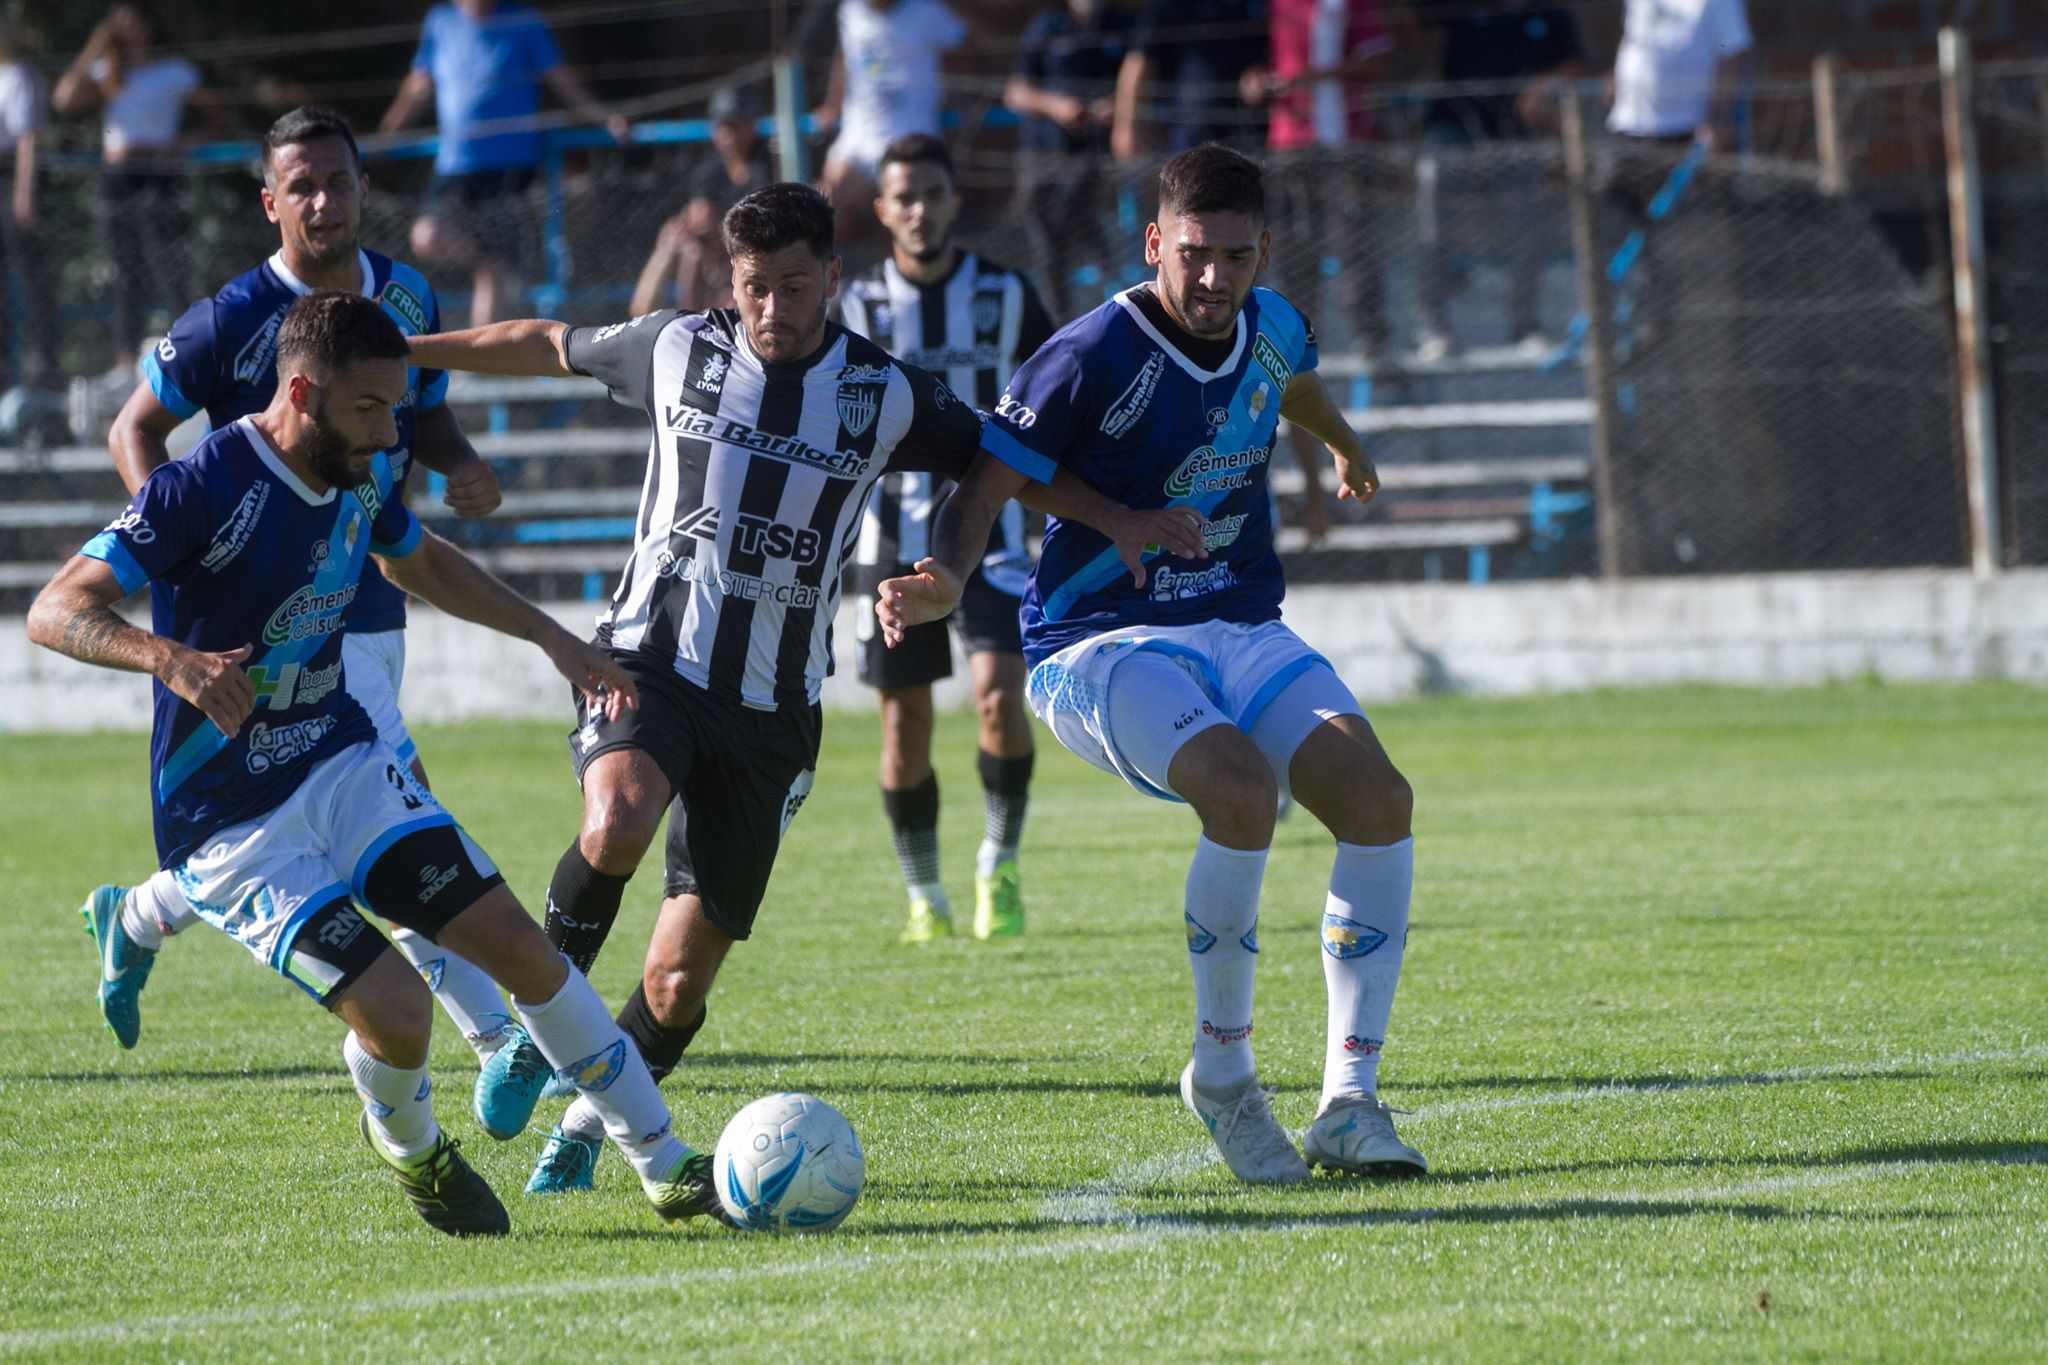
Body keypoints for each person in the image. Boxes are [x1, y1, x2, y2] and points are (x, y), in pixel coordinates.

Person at [406, 182, 1201, 1195]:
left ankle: (588, 1120)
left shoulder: (883, 391)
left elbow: (1001, 463)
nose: (772, 308)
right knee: (618, 818)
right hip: (649, 656)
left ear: (830, 278)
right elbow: (539, 339)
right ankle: (533, 1033)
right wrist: (408, 360)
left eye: (792, 286)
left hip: (773, 706)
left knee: (676, 979)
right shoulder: (673, 346)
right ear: (728, 285)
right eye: (753, 289)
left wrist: (1091, 528)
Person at [27, 291, 732, 1234]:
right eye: (372, 408)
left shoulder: (355, 466)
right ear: (304, 390)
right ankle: (411, 1149)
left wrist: (552, 639)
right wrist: (172, 660)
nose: (391, 428)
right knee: (399, 1013)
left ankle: (663, 1158)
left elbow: (422, 561)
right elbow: (54, 608)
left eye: (398, 406)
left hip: (341, 761)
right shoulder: (203, 484)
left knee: (522, 949)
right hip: (230, 820)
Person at [876, 145, 1428, 1184]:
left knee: (1377, 798)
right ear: (1152, 245)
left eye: (1234, 255)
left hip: (1237, 622)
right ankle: (1222, 1075)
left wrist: (1346, 447)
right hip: (1095, 643)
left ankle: (1349, 1104)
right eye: (1193, 255)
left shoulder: (1270, 322)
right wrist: (946, 581)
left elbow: (1293, 382)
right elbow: (981, 484)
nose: (1214, 278)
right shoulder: (1087, 355)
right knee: (1238, 791)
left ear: (1260, 250)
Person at [77, 108, 514, 1100]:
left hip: (379, 583)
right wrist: (181, 563)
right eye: (301, 186)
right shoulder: (229, 317)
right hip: (266, 621)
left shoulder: (405, 295)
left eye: (339, 180)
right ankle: (498, 1034)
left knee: (312, 818)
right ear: (271, 202)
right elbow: (134, 430)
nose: (324, 200)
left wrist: (459, 462)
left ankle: (138, 916)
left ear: (365, 188)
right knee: (388, 796)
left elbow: (426, 409)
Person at [837, 134, 1056, 943]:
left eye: (934, 193)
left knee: (1001, 698)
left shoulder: (1006, 294)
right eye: (905, 197)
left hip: (989, 534)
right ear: (883, 209)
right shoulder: (853, 306)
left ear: (955, 201)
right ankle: (924, 894)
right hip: (886, 541)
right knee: (906, 726)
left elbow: (1055, 399)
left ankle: (999, 859)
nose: (920, 209)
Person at [377, 0, 631, 327]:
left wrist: (604, 118)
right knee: (429, 236)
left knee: (492, 276)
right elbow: (418, 86)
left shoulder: (524, 20)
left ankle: (485, 370)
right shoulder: (440, 22)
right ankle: (498, 267)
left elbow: (561, 77)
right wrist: (386, 136)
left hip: (509, 168)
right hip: (455, 165)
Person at [51, 2, 227, 364]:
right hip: (117, 178)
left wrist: (184, 143)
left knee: (169, 265)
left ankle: (188, 349)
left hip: (157, 176)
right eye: (119, 23)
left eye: (133, 21)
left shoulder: (175, 72)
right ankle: (125, 358)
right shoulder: (108, 74)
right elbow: (64, 99)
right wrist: (97, 43)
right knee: (124, 268)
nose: (127, 29)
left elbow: (219, 114)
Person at [1413, 0, 1587, 359]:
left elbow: (1576, 64)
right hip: (1455, 130)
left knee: (1526, 206)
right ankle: (1434, 326)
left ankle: (1526, 325)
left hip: (1515, 138)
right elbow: (1410, 29)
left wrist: (1543, 86)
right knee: (1429, 180)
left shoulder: (1546, 13)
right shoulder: (1456, 12)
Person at [1003, 0, 1131, 318]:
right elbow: (1016, 92)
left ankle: (1120, 299)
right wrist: (1056, 106)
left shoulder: (1123, 25)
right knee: (1046, 243)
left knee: (1070, 212)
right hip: (1041, 153)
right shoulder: (1047, 26)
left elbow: (1144, 80)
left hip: (1091, 154)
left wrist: (1117, 104)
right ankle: (1055, 323)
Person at [812, 0, 964, 233]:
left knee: (904, 226)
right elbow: (844, 56)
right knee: (823, 209)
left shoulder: (926, 11)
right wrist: (832, 105)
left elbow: (962, 47)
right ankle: (824, 268)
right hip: (859, 138)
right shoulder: (851, 11)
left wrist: (955, 96)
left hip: (911, 141)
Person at [628, 85, 772, 316]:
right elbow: (700, 213)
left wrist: (718, 225)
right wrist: (675, 241)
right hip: (714, 252)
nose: (729, 135)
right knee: (689, 248)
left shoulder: (768, 165)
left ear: (751, 126)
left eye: (736, 125)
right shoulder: (709, 170)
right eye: (723, 126)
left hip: (751, 250)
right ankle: (692, 321)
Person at [1110, 0, 1268, 163]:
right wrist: (1126, 129)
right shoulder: (1171, 7)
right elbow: (1138, 65)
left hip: (1248, 133)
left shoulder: (1256, 6)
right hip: (1190, 137)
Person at [0, 17, 56, 387]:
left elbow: (27, 139)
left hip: (9, 180)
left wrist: (23, 192)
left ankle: (42, 365)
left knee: (31, 277)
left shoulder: (19, 76)